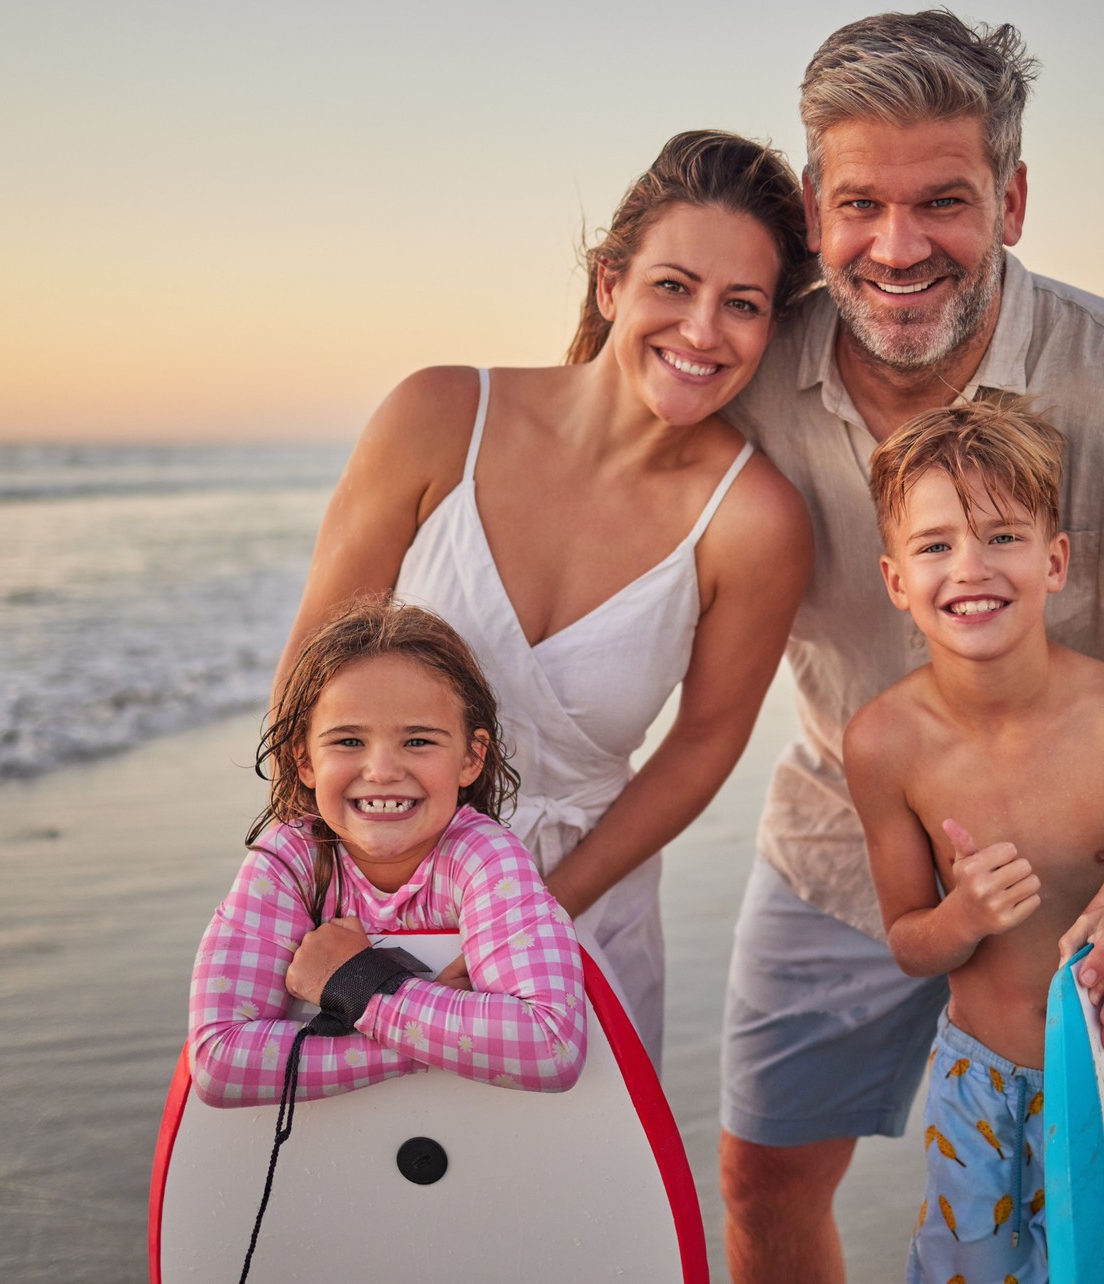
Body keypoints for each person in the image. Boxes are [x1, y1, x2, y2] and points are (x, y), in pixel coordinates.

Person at [716, 14, 1104, 1280]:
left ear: (1010, 197)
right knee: (761, 1181)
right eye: (860, 206)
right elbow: (598, 461)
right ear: (810, 206)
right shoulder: (743, 366)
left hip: (1081, 898)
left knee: (1102, 1225)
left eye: (944, 201)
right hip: (843, 841)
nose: (898, 249)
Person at [272, 130, 817, 1063]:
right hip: (366, 888)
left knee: (561, 1204)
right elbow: (313, 677)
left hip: (579, 908)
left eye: (743, 305)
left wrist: (533, 919)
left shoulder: (755, 520)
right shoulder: (440, 416)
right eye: (672, 286)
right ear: (611, 283)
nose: (701, 331)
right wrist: (303, 890)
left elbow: (700, 750)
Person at [848, 401, 1104, 1283]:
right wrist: (965, 914)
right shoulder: (883, 742)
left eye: (1001, 537)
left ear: (1055, 559)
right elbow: (911, 944)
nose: (971, 568)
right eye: (936, 545)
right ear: (895, 579)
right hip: (975, 1084)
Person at [187, 597, 586, 1109]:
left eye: (418, 740)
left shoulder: (483, 858)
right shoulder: (288, 862)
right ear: (304, 762)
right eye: (349, 740)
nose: (381, 770)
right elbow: (220, 1064)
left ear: (471, 758)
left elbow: (550, 1047)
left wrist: (358, 985)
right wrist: (427, 1041)